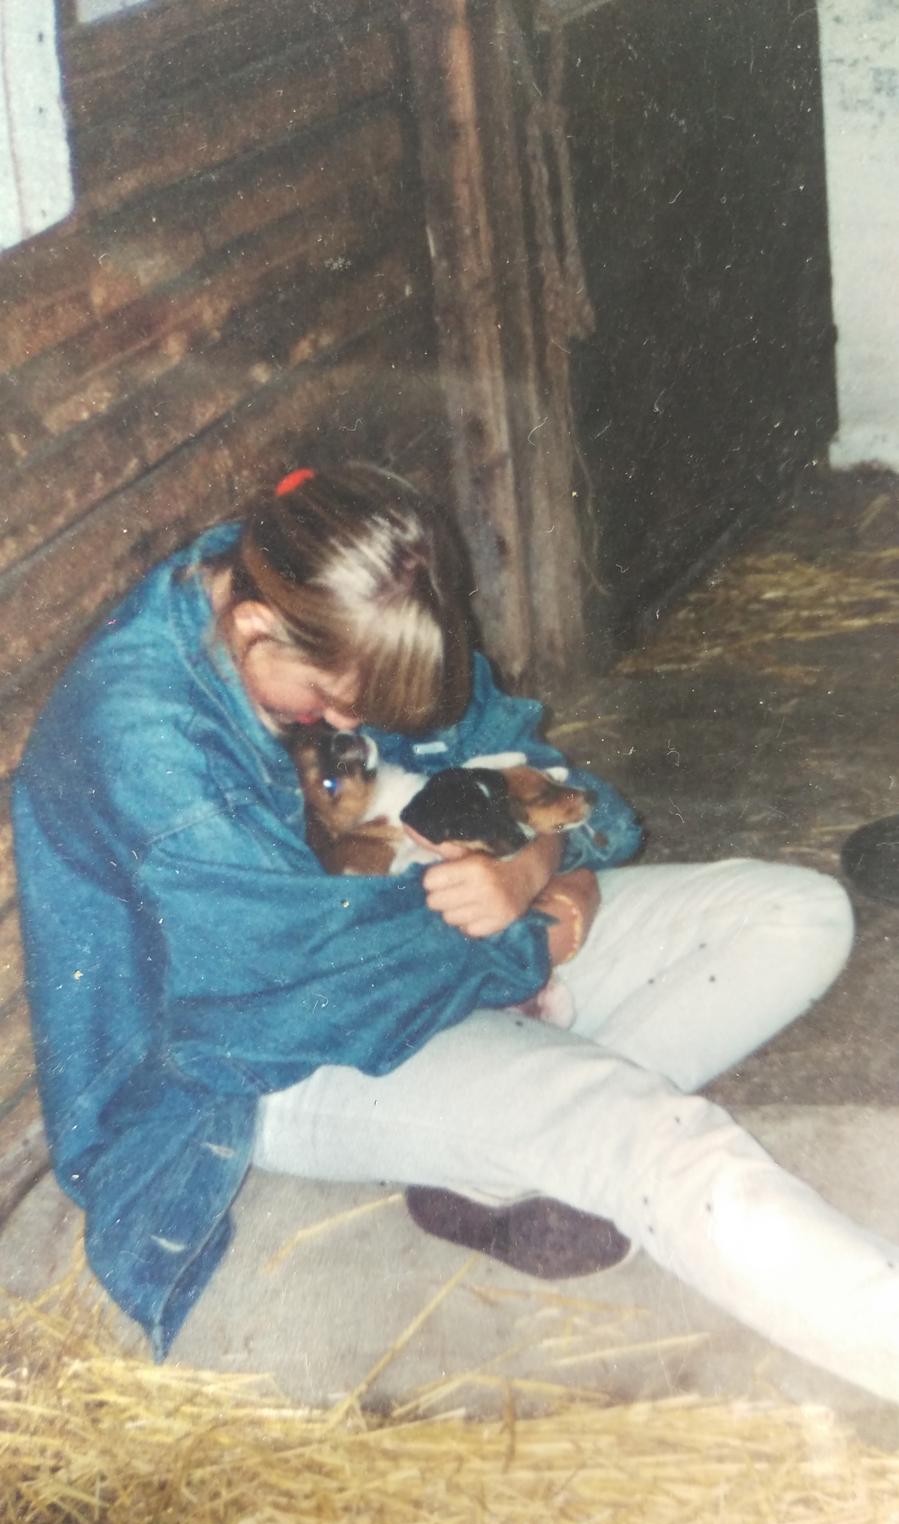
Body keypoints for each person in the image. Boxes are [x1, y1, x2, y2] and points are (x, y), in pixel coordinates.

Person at [12, 462, 899, 1402]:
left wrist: (537, 868)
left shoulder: (336, 600)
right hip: (261, 1063)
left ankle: (511, 1155)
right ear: (252, 628)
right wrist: (526, 943)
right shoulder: (147, 737)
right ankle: (569, 1134)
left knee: (798, 911)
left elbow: (557, 787)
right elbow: (294, 996)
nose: (348, 726)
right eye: (326, 702)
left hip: (429, 949)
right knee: (657, 1139)